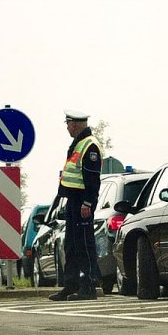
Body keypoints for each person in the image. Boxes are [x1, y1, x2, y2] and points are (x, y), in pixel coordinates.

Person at [49, 109, 102, 301]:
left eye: (68, 125)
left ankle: (88, 287)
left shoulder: (90, 145)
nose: (67, 129)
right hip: (73, 202)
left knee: (84, 246)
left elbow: (92, 179)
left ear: (75, 125)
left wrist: (88, 202)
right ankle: (70, 285)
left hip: (82, 202)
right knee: (70, 245)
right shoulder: (78, 144)